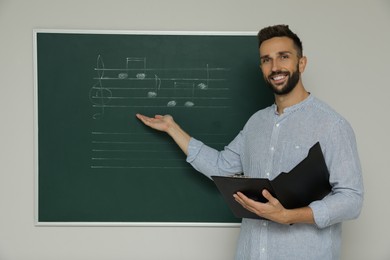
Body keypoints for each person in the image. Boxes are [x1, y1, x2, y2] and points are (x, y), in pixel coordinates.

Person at [136, 25, 364, 260]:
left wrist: (289, 215)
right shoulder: (256, 123)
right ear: (262, 68)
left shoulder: (332, 125)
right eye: (267, 60)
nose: (275, 67)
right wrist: (172, 128)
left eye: (283, 57)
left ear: (301, 63)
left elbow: (352, 199)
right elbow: (221, 166)